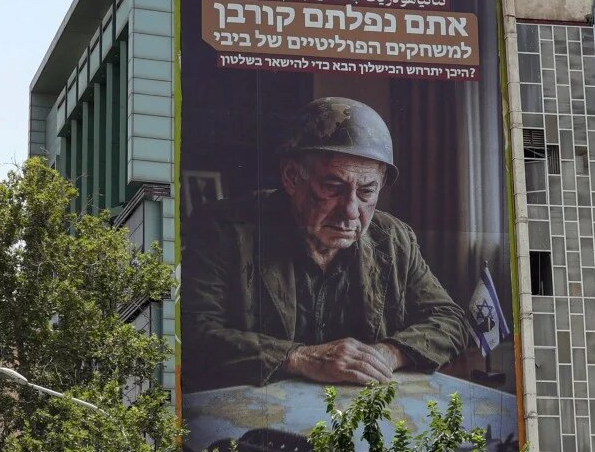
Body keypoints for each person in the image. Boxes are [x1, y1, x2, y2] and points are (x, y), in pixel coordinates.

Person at [182, 96, 474, 391]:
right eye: (333, 188)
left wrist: (386, 353)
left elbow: (450, 320)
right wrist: (299, 358)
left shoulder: (394, 239)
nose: (350, 210)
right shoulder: (224, 230)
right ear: (291, 176)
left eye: (367, 191)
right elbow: (192, 334)